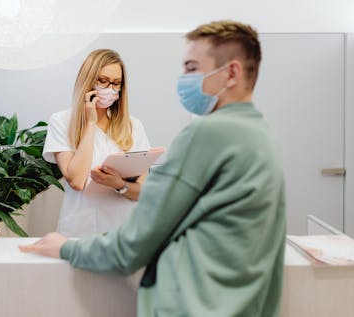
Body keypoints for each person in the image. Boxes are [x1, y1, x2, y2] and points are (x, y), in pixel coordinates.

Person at [22, 20, 286, 317]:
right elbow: (77, 180)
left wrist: (67, 248)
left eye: (191, 67)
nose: (183, 78)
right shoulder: (264, 134)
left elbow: (139, 239)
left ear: (232, 72)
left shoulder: (204, 134)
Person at [42, 49, 151, 238]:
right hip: (82, 229)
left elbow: (143, 191)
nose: (109, 88)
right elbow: (76, 180)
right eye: (102, 80)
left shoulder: (133, 126)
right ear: (88, 80)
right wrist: (91, 123)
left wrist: (119, 185)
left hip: (124, 230)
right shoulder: (61, 121)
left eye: (116, 83)